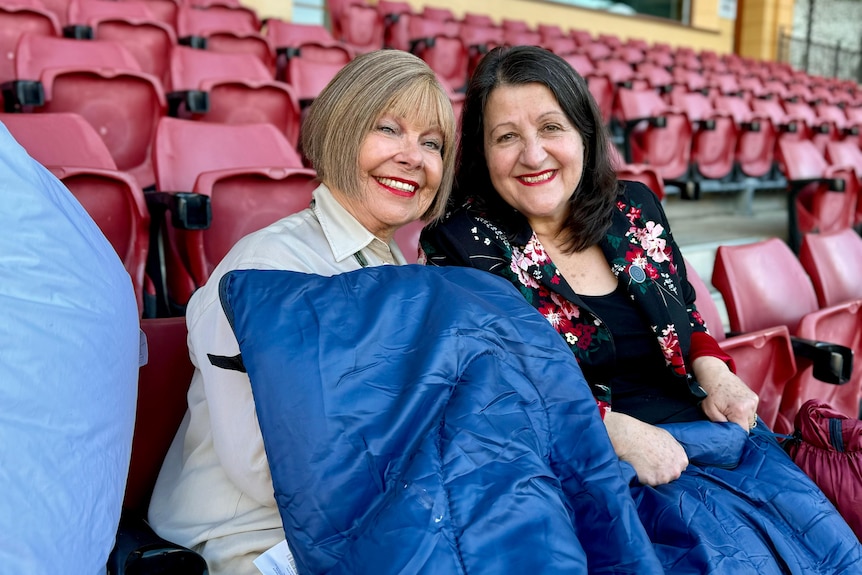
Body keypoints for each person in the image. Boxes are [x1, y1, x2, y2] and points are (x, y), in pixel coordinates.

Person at [420, 45, 862, 573]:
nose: (533, 155)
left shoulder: (633, 206)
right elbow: (489, 394)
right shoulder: (460, 244)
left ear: (583, 133)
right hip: (594, 470)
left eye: (550, 127)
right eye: (506, 137)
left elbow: (687, 318)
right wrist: (614, 431)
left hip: (710, 436)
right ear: (481, 152)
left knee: (831, 552)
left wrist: (716, 372)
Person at [148, 49, 456, 575]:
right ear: (342, 131)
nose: (414, 156)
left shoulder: (394, 260)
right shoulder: (268, 268)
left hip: (363, 520)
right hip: (249, 537)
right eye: (389, 129)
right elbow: (266, 470)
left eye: (432, 143)